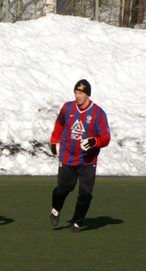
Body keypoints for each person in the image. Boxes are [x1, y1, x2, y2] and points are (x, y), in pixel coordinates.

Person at [49, 79, 111, 232]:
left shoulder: (98, 113)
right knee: (64, 188)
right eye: (76, 92)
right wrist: (54, 140)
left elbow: (106, 137)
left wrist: (94, 141)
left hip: (88, 161)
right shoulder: (67, 108)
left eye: (81, 93)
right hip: (67, 157)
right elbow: (59, 124)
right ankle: (56, 209)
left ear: (87, 95)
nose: (77, 96)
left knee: (85, 193)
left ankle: (77, 221)